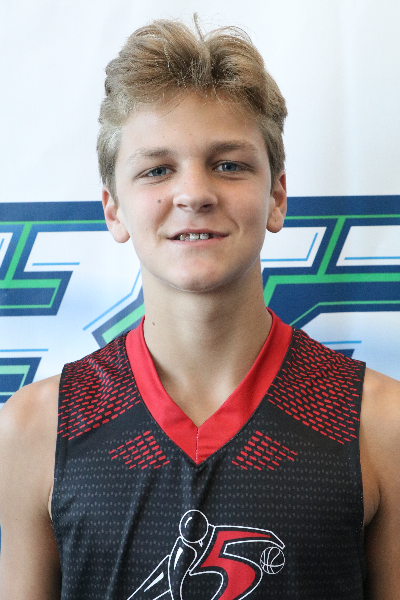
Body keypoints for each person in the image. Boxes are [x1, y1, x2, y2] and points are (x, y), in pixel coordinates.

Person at [0, 17, 399, 600]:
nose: (194, 193)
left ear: (277, 196)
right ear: (114, 209)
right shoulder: (36, 430)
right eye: (157, 170)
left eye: (228, 164)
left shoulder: (380, 424)